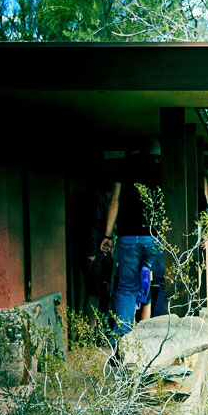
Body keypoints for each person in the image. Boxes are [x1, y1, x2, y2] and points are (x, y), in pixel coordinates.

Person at [100, 141, 165, 347]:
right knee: (165, 284)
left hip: (127, 237)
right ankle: (161, 337)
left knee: (127, 288)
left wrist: (108, 235)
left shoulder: (126, 166)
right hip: (155, 236)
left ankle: (121, 343)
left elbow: (115, 201)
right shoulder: (165, 167)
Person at [71, 180, 113, 328]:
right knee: (93, 293)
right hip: (94, 251)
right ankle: (90, 329)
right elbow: (91, 225)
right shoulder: (96, 196)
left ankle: (91, 329)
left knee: (93, 293)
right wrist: (91, 253)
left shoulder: (92, 194)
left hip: (92, 249)